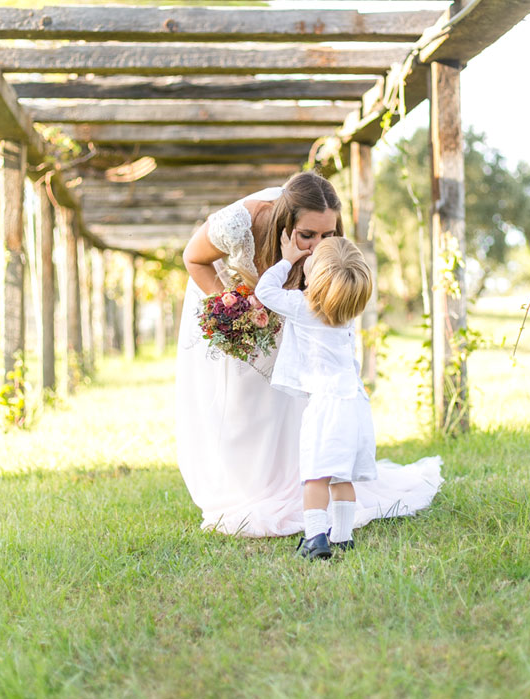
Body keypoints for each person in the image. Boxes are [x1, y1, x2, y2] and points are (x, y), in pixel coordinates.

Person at [176, 171, 442, 537]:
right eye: (307, 235)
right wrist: (232, 303)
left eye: (328, 235)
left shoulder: (323, 251)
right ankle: (246, 486)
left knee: (287, 402)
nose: (319, 246)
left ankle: (295, 482)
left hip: (286, 316)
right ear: (286, 224)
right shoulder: (242, 221)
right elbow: (193, 258)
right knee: (241, 403)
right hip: (234, 304)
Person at [255, 232, 377, 559]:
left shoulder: (302, 306)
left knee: (315, 475)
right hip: (354, 403)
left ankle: (315, 539)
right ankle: (342, 536)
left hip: (325, 405)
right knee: (342, 475)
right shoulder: (346, 312)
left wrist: (287, 258)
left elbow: (264, 291)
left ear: (316, 275)